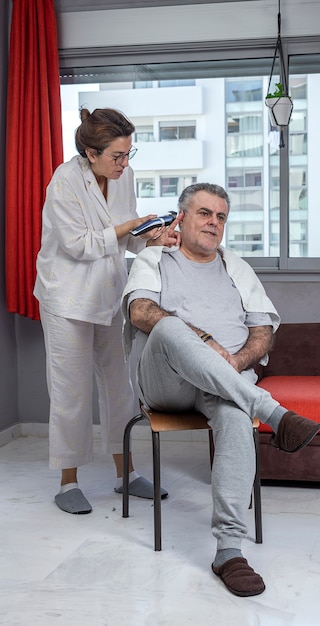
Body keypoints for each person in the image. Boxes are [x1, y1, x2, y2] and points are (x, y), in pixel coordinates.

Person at [121, 182, 320, 597]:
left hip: (225, 383)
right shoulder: (156, 258)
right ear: (182, 217)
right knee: (170, 324)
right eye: (204, 213)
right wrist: (206, 342)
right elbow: (141, 311)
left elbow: (262, 333)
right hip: (168, 382)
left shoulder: (237, 267)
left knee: (233, 413)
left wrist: (235, 361)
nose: (214, 223)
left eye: (221, 217)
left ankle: (228, 551)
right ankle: (275, 414)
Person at [34, 107, 180, 515]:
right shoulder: (64, 182)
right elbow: (80, 244)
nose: (124, 164)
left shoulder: (123, 178)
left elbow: (125, 240)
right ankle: (68, 483)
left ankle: (127, 475)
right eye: (117, 156)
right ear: (90, 152)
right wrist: (130, 226)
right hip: (66, 299)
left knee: (120, 389)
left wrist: (153, 238)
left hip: (107, 294)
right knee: (70, 392)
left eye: (129, 154)